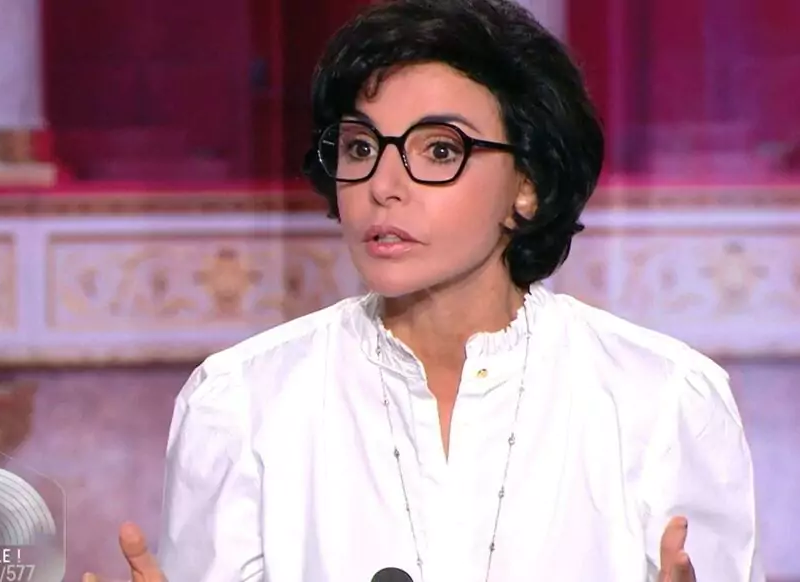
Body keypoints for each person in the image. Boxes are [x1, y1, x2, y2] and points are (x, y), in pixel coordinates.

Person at [84, 0, 764, 580]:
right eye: (360, 148)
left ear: (527, 186)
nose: (384, 186)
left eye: (439, 150)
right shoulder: (241, 402)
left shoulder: (662, 399)